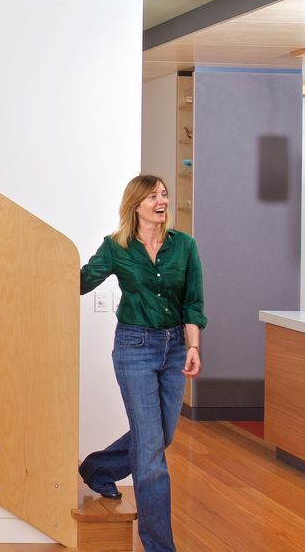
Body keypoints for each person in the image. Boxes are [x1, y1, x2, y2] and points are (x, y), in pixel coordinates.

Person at [78, 174, 206, 552]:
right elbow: (81, 281)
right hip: (134, 346)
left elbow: (193, 302)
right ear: (136, 205)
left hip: (174, 349)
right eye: (153, 196)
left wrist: (194, 345)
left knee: (161, 435)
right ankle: (159, 546)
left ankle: (98, 469)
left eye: (164, 194)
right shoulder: (117, 247)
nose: (161, 201)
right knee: (150, 455)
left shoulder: (184, 246)